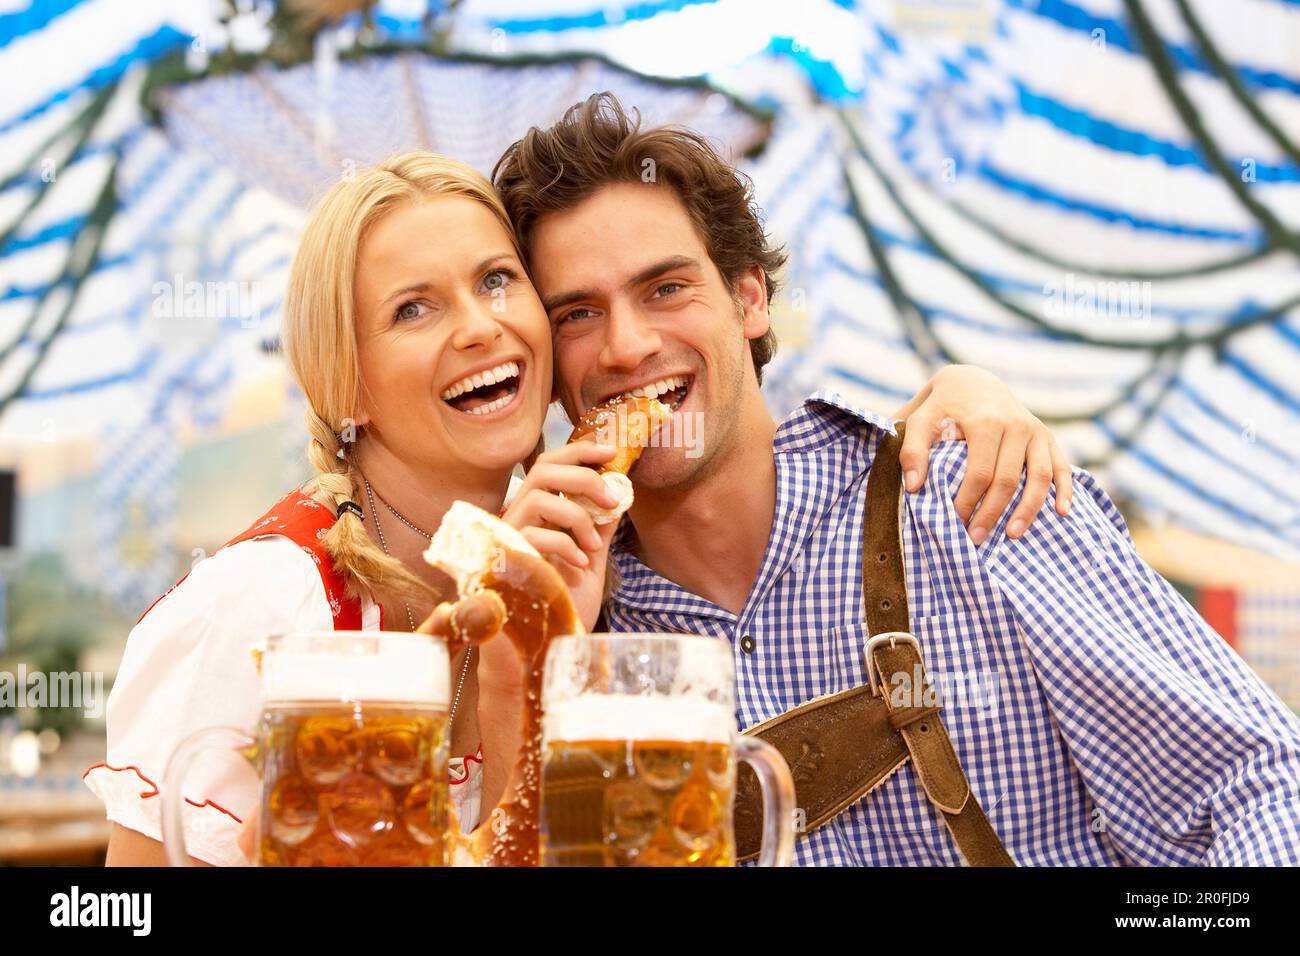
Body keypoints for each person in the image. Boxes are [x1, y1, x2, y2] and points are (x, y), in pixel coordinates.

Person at [86, 151, 1071, 866]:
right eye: (413, 307)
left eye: (497, 280)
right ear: (341, 382)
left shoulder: (573, 572)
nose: (480, 326)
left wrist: (967, 388)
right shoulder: (264, 600)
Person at [491, 92, 1300, 865]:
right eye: (578, 315)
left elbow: (1252, 782)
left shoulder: (971, 500)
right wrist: (542, 648)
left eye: (666, 288)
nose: (627, 346)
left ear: (749, 299)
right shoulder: (574, 627)